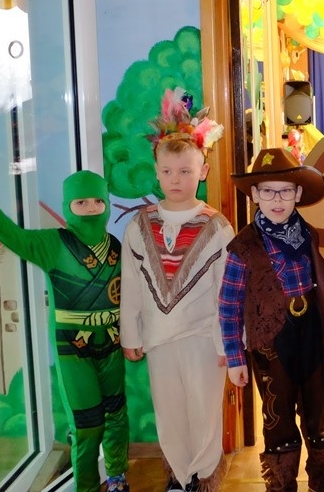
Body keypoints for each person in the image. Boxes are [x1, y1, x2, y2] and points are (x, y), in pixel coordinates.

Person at [0, 169, 130, 492]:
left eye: (97, 201)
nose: (90, 208)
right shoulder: (53, 244)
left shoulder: (115, 246)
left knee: (116, 416)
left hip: (112, 345)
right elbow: (15, 237)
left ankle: (116, 477)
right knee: (86, 425)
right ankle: (86, 486)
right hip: (73, 352)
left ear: (106, 203)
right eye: (81, 202)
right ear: (68, 205)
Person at [119, 88, 232, 492]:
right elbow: (132, 283)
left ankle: (204, 477)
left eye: (185, 171)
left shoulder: (218, 227)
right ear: (157, 172)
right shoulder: (139, 225)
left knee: (205, 411)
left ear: (203, 171)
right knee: (168, 412)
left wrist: (227, 343)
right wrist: (130, 334)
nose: (176, 179)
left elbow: (225, 292)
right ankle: (179, 477)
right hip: (158, 338)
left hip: (203, 337)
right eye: (167, 172)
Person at [219, 148, 324, 492]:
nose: (277, 200)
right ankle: (281, 483)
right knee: (278, 418)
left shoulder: (307, 234)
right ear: (255, 195)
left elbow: (318, 283)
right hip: (270, 344)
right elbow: (229, 305)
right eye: (267, 191)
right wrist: (234, 357)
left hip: (309, 334)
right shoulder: (243, 247)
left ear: (298, 193)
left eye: (285, 191)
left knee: (316, 408)